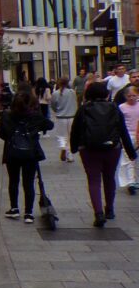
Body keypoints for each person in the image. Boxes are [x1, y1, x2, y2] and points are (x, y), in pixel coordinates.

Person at [70, 81, 138, 227]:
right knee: (109, 178)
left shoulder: (84, 109)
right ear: (106, 94)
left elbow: (75, 129)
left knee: (93, 180)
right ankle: (110, 209)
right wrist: (130, 151)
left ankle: (98, 213)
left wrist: (74, 147)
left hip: (89, 149)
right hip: (112, 148)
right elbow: (123, 131)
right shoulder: (114, 108)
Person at [0, 89, 53, 224]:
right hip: (30, 153)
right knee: (28, 183)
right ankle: (28, 213)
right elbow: (50, 125)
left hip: (13, 152)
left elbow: (1, 133)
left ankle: (14, 208)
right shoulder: (34, 116)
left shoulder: (7, 116)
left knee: (13, 180)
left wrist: (12, 137)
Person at [50, 77, 77, 162]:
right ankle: (69, 154)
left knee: (62, 136)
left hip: (61, 117)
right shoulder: (72, 92)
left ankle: (63, 149)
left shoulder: (55, 93)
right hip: (71, 116)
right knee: (70, 136)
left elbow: (53, 105)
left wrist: (57, 110)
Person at [118, 85, 139, 195]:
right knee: (129, 158)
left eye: (134, 96)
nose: (131, 98)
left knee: (137, 160)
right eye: (129, 96)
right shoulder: (121, 107)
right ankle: (131, 182)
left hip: (138, 134)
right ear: (125, 96)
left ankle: (135, 179)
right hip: (127, 136)